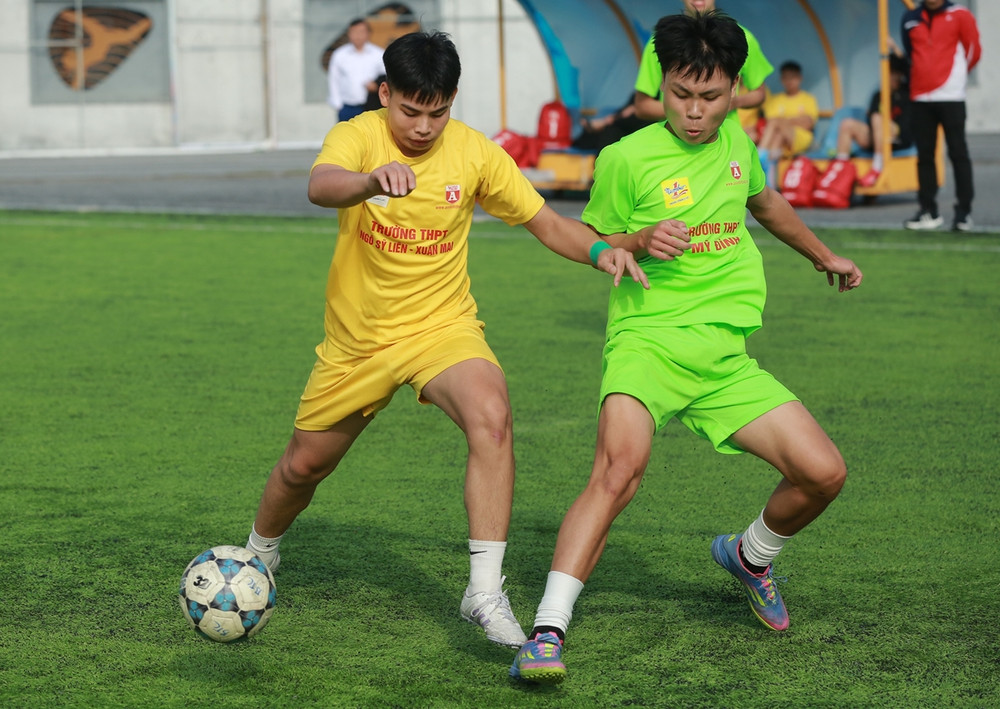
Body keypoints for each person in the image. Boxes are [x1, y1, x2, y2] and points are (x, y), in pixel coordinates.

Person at [245, 31, 647, 650]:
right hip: (359, 342)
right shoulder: (358, 136)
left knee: (492, 416)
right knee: (304, 467)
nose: (424, 127)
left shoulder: (476, 153)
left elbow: (545, 222)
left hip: (442, 327)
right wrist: (369, 181)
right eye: (411, 111)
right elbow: (321, 185)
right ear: (386, 94)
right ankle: (258, 552)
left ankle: (483, 592)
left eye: (438, 112)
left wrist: (600, 252)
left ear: (452, 101)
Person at [509, 11, 862, 685]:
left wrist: (824, 256)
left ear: (735, 92)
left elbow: (766, 203)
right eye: (680, 94)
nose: (694, 112)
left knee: (824, 474)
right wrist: (635, 242)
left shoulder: (738, 146)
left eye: (710, 96)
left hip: (724, 358)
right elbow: (591, 240)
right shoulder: (624, 158)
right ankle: (547, 631)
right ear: (662, 86)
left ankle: (750, 556)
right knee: (618, 471)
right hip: (647, 342)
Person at [901, 0, 981, 231]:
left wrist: (955, 79)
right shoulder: (910, 18)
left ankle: (963, 213)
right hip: (920, 97)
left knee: (958, 153)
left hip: (951, 96)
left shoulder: (960, 15)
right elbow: (910, 53)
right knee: (924, 155)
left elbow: (974, 51)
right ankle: (928, 211)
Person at [633, 0, 772, 122]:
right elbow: (642, 105)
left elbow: (759, 93)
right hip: (674, 140)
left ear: (734, 84)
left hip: (725, 139)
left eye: (711, 96)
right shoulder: (662, 41)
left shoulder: (740, 39)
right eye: (680, 94)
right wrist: (684, 112)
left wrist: (733, 102)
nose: (696, 110)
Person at [831, 49, 912, 189]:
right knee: (847, 124)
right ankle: (840, 169)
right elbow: (872, 121)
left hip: (898, 138)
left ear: (899, 75)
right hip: (877, 137)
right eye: (888, 73)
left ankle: (877, 166)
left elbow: (911, 68)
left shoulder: (907, 93)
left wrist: (895, 48)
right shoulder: (878, 95)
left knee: (878, 118)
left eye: (893, 73)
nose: (889, 77)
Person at [756, 60, 819, 188]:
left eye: (793, 77)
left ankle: (760, 155)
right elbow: (771, 124)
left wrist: (784, 120)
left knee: (776, 123)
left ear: (800, 78)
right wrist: (796, 120)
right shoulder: (776, 99)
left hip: (801, 138)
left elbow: (808, 124)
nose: (789, 81)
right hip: (781, 141)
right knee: (777, 135)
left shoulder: (808, 99)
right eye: (786, 78)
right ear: (781, 79)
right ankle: (771, 180)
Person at [327, 18, 385, 123]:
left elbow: (386, 76)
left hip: (370, 106)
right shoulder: (340, 54)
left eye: (361, 32)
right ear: (348, 34)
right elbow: (334, 79)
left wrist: (376, 85)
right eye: (354, 32)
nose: (358, 36)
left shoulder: (379, 54)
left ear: (368, 33)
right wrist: (337, 104)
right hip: (347, 106)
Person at [571, 93, 651, 152]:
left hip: (630, 128)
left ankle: (596, 126)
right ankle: (592, 128)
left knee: (609, 132)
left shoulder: (649, 100)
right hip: (619, 123)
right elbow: (623, 112)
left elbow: (628, 116)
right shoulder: (637, 96)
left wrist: (608, 121)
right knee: (599, 134)